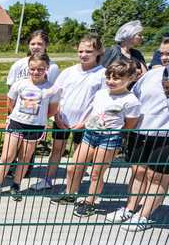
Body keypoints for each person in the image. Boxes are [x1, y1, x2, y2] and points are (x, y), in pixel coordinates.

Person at [51, 60, 140, 215]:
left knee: (96, 172)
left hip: (109, 138)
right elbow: (94, 114)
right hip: (90, 134)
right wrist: (84, 124)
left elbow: (130, 124)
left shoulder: (131, 101)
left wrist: (117, 135)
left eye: (117, 78)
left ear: (130, 78)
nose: (111, 81)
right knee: (73, 167)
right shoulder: (101, 94)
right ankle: (71, 194)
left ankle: (90, 202)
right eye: (109, 77)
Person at [30, 34, 106, 191]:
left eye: (88, 51)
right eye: (80, 51)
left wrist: (85, 123)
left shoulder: (102, 74)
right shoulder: (68, 72)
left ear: (98, 52)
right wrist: (56, 115)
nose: (83, 55)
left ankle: (73, 185)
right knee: (57, 149)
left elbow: (101, 103)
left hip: (84, 123)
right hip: (62, 120)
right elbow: (55, 92)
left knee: (80, 156)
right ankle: (47, 180)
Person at [0, 53, 60, 201]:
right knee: (7, 155)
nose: (36, 72)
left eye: (40, 69)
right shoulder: (20, 84)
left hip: (35, 127)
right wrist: (17, 116)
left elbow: (52, 110)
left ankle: (16, 185)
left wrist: (39, 119)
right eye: (33, 69)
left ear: (47, 69)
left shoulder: (52, 89)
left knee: (24, 157)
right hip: (16, 123)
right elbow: (10, 102)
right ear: (28, 68)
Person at [108, 58, 169, 231]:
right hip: (140, 132)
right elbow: (133, 97)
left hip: (166, 136)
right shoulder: (151, 75)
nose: (164, 57)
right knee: (138, 171)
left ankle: (144, 215)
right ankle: (129, 208)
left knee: (157, 176)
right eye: (163, 53)